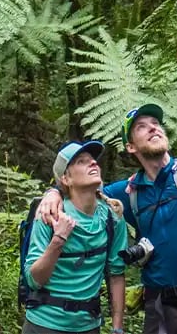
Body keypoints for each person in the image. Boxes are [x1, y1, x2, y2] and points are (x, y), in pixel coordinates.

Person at [38, 31, 177, 334]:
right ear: (130, 147)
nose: (153, 128)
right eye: (142, 127)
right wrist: (53, 192)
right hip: (159, 307)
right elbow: (82, 188)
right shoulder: (127, 193)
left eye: (156, 125)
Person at [22, 139, 128, 334]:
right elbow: (33, 280)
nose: (93, 163)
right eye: (81, 161)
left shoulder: (112, 218)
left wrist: (117, 328)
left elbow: (116, 275)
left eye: (93, 160)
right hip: (43, 324)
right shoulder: (49, 214)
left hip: (88, 326)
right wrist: (58, 240)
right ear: (66, 179)